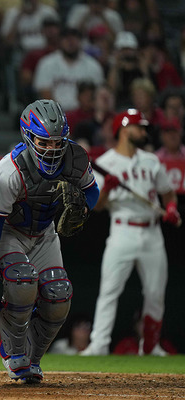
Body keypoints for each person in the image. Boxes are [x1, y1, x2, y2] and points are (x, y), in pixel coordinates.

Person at [0, 99, 99, 383]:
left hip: (43, 231)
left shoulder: (77, 158)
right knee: (21, 281)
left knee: (59, 295)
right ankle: (14, 352)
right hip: (5, 228)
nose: (53, 149)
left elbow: (92, 191)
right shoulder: (10, 170)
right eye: (44, 142)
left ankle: (32, 358)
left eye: (58, 142)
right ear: (28, 137)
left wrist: (84, 206)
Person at [79, 109, 181, 356]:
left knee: (155, 293)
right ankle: (99, 344)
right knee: (109, 290)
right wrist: (107, 191)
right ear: (124, 130)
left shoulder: (151, 160)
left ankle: (151, 346)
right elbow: (97, 206)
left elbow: (168, 193)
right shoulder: (105, 164)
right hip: (122, 230)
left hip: (152, 232)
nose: (144, 132)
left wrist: (170, 208)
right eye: (139, 127)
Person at [32, 26, 104, 111]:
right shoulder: (47, 63)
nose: (70, 42)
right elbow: (45, 93)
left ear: (80, 41)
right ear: (60, 41)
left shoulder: (92, 65)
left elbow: (98, 93)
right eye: (66, 39)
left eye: (73, 39)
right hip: (54, 114)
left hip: (84, 113)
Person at [112, 310, 178, 356]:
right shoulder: (125, 344)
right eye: (142, 322)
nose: (146, 326)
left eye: (149, 323)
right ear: (135, 326)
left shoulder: (165, 345)